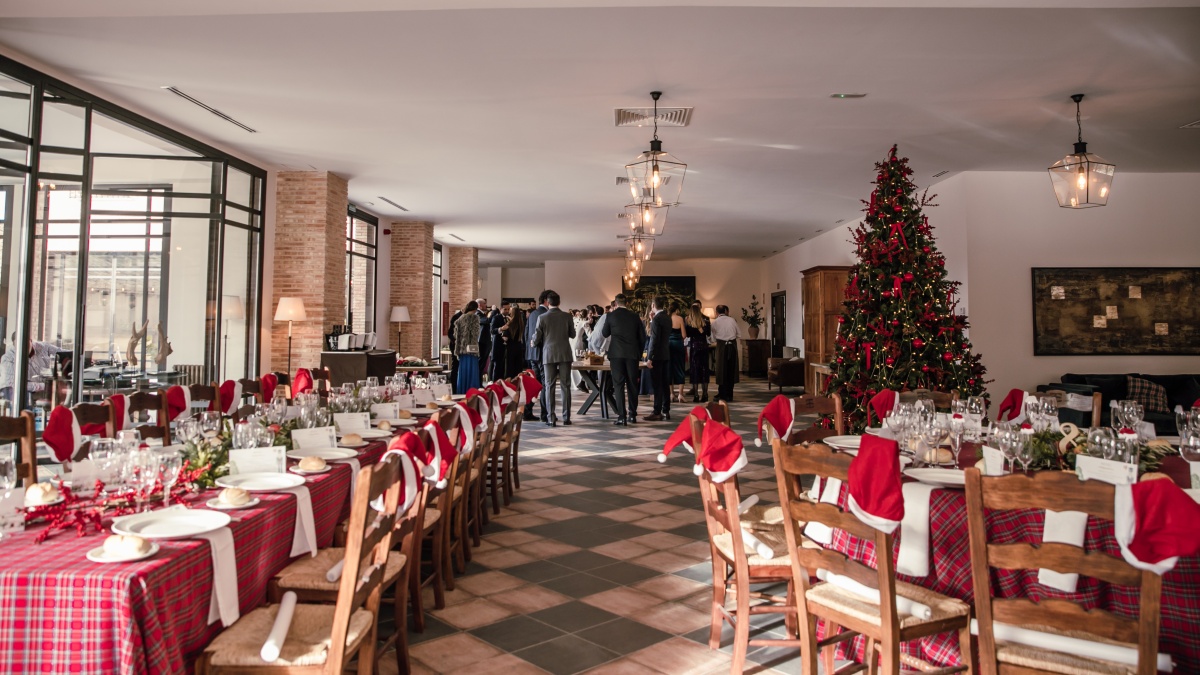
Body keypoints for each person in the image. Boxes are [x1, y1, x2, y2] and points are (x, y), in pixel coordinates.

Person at [533, 291, 575, 426]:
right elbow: (573, 334)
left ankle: (551, 418)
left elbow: (537, 337)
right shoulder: (567, 316)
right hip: (564, 353)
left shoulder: (542, 317)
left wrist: (532, 342)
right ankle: (566, 417)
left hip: (549, 353)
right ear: (559, 302)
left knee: (549, 385)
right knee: (565, 386)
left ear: (548, 303)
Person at [601, 293, 644, 425]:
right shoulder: (635, 316)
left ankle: (621, 416)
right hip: (632, 355)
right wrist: (639, 352)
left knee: (618, 385)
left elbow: (604, 333)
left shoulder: (610, 316)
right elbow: (642, 337)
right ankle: (632, 414)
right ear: (627, 303)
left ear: (615, 303)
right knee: (632, 384)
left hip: (616, 354)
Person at [0, 333, 62, 407]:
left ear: (31, 341)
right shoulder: (8, 359)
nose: (22, 349)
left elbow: (64, 353)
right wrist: (45, 386)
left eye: (26, 345)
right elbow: (16, 384)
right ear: (14, 346)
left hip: (43, 390)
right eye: (18, 346)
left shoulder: (43, 347)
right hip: (16, 393)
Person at [644, 296, 672, 422]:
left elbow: (654, 339)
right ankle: (666, 410)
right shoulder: (667, 317)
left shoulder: (657, 319)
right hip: (666, 353)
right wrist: (651, 320)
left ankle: (657, 411)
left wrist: (650, 357)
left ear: (653, 306)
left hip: (657, 355)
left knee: (657, 384)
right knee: (665, 383)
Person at [524, 290, 551, 421]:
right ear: (547, 301)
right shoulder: (546, 314)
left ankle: (527, 411)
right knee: (545, 384)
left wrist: (529, 350)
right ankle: (545, 414)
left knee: (535, 383)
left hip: (532, 353)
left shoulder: (533, 313)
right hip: (542, 353)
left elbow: (526, 333)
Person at [712, 304, 740, 402]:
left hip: (721, 346)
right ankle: (730, 394)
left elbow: (712, 338)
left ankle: (722, 394)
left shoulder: (715, 322)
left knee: (721, 370)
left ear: (716, 312)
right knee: (731, 370)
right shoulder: (732, 320)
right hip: (732, 346)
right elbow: (738, 334)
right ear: (725, 311)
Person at [685, 301, 712, 402]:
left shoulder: (689, 320)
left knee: (695, 370)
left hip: (694, 346)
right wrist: (701, 329)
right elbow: (708, 333)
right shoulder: (706, 319)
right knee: (705, 369)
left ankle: (696, 394)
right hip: (704, 346)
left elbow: (687, 334)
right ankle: (705, 394)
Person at [453, 301, 482, 393]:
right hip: (472, 349)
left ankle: (462, 391)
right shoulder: (475, 318)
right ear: (475, 308)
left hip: (462, 349)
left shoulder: (460, 318)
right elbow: (476, 334)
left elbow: (456, 335)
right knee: (472, 372)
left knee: (463, 372)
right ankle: (472, 392)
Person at [668, 302, 687, 403]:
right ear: (677, 310)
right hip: (678, 345)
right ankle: (680, 394)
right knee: (680, 368)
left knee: (669, 369)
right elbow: (684, 335)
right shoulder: (680, 319)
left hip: (668, 345)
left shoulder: (666, 318)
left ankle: (671, 394)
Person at [501, 306, 527, 379]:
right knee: (518, 368)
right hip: (519, 347)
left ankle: (510, 385)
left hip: (510, 347)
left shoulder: (509, 324)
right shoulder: (521, 323)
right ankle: (518, 385)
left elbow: (505, 338)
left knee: (509, 368)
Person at [488, 302, 509, 382]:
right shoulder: (496, 318)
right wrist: (501, 329)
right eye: (505, 309)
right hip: (497, 345)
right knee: (497, 368)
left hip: (506, 346)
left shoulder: (508, 318)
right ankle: (495, 385)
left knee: (503, 368)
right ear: (500, 309)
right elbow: (492, 330)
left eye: (508, 309)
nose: (507, 311)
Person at [447, 306, 463, 387]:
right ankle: (453, 386)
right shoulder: (456, 317)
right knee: (455, 366)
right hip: (455, 345)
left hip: (462, 346)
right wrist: (456, 341)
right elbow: (450, 333)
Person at [475, 298, 491, 378]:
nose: (486, 305)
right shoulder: (478, 314)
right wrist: (494, 312)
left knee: (483, 363)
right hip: (482, 342)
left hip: (485, 341)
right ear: (479, 305)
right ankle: (478, 381)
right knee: (481, 363)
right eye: (484, 303)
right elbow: (487, 321)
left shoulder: (482, 313)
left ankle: (479, 381)